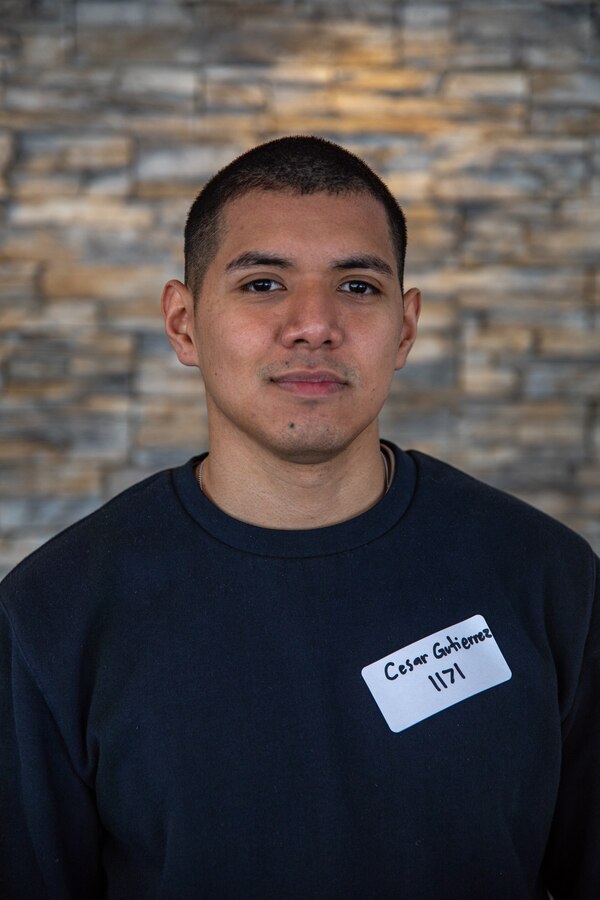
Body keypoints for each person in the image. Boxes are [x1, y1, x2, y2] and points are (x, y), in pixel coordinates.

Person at [0, 136, 598, 900]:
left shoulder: (547, 577)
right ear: (184, 324)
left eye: (357, 287)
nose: (313, 324)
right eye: (261, 284)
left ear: (405, 329)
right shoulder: (55, 614)